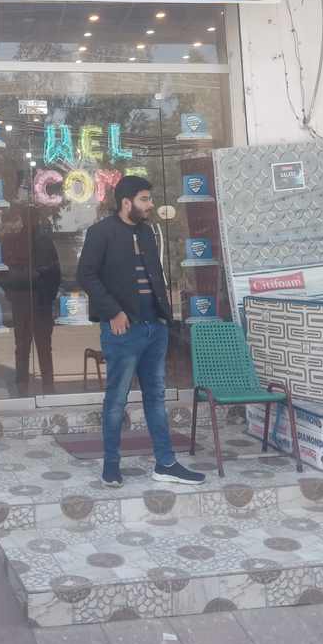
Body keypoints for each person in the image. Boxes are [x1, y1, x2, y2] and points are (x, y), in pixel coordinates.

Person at [77, 175, 205, 488]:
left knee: (156, 397)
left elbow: (154, 275)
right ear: (126, 202)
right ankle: (111, 466)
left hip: (154, 328)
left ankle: (166, 463)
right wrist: (113, 312)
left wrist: (164, 318)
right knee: (116, 400)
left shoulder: (147, 232)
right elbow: (86, 275)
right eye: (144, 199)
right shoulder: (100, 232)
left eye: (149, 199)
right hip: (123, 330)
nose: (150, 205)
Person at [1, 205, 61, 395]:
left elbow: (55, 273)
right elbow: (2, 273)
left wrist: (47, 296)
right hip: (27, 301)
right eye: (29, 217)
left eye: (32, 217)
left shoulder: (43, 242)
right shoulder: (13, 240)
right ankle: (29, 388)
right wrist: (13, 292)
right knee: (28, 347)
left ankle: (40, 388)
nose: (31, 221)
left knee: (35, 347)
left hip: (36, 302)